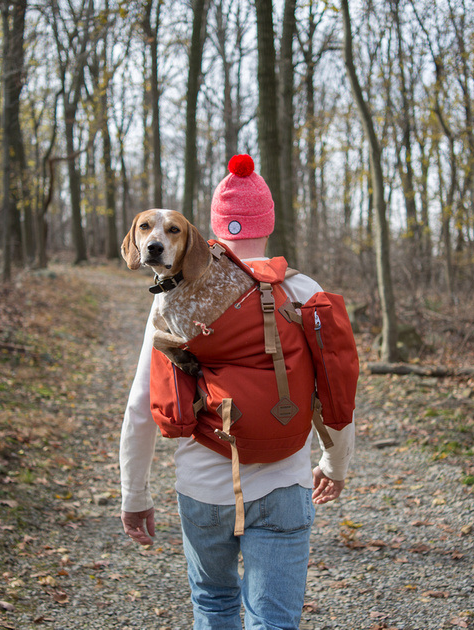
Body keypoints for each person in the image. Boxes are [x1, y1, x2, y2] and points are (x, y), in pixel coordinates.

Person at [119, 155, 356, 630]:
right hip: (285, 481)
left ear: (208, 229)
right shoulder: (303, 288)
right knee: (273, 620)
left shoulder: (174, 301)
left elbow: (142, 406)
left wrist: (134, 493)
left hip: (203, 487)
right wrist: (335, 464)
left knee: (214, 603)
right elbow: (338, 387)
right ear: (267, 223)